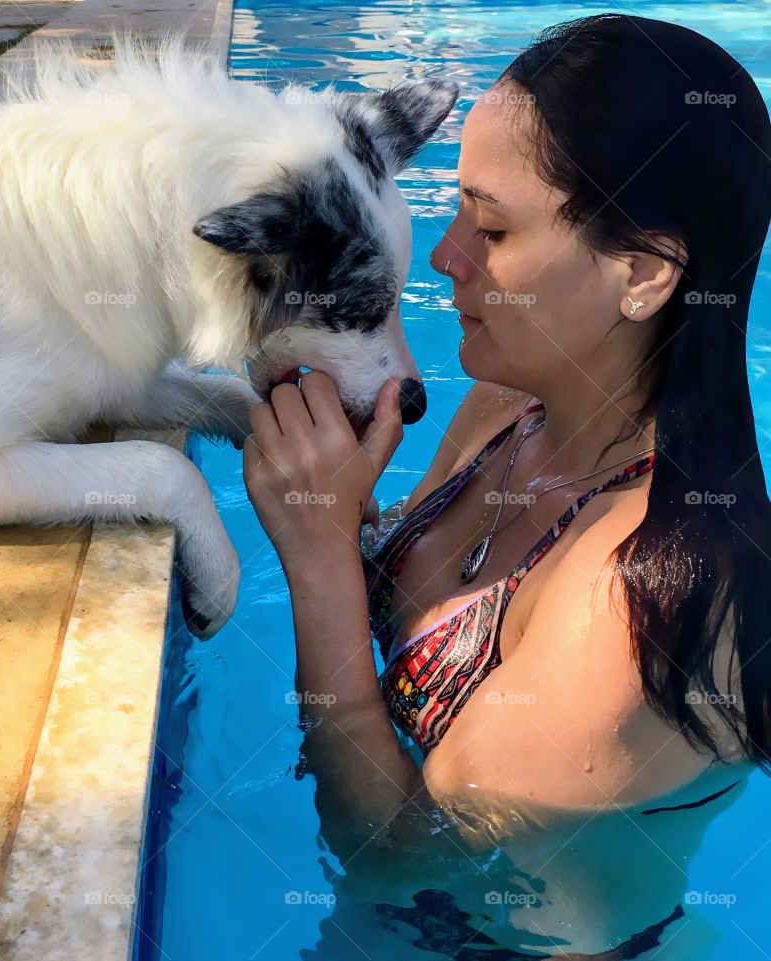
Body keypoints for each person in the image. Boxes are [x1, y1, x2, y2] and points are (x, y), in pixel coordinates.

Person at [243, 13, 771, 957]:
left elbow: (400, 857)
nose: (445, 257)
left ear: (642, 274)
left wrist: (318, 558)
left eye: (490, 225)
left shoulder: (637, 592)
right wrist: (337, 502)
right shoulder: (508, 405)